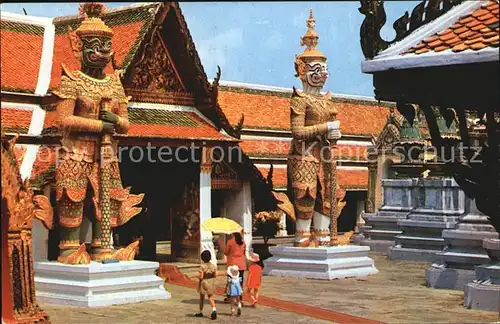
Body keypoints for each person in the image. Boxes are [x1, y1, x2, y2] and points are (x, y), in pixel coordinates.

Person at [219, 231, 247, 303]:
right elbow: (244, 252)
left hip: (232, 264)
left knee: (230, 280)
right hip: (241, 264)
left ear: (233, 234)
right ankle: (240, 298)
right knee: (240, 281)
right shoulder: (243, 242)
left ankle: (229, 296)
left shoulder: (230, 242)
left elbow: (226, 252)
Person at [194, 250, 217, 320]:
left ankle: (200, 311)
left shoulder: (202, 266)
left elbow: (201, 277)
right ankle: (214, 309)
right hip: (211, 281)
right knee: (210, 297)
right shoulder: (213, 266)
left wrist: (198, 278)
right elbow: (215, 275)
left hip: (204, 282)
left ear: (202, 258)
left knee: (202, 298)